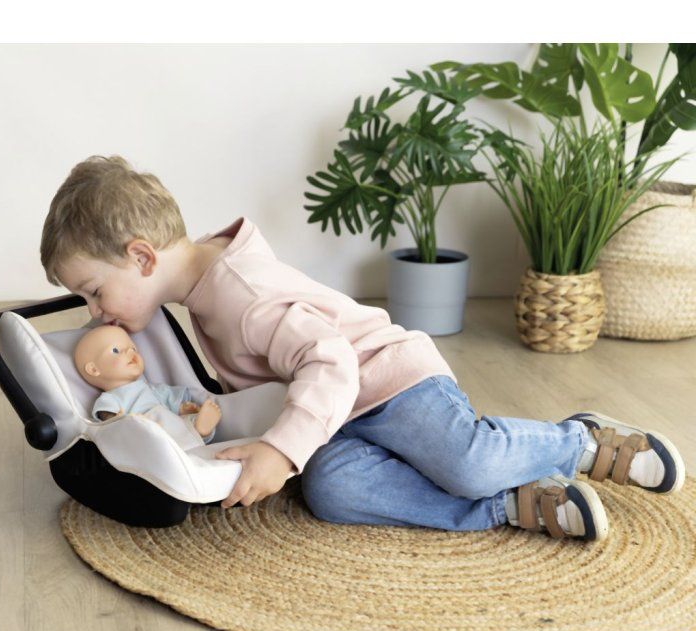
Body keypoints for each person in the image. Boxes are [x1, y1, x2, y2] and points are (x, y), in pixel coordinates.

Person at [38, 155, 686, 541]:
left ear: (142, 256)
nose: (95, 312)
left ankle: (581, 442)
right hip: (334, 413)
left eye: (94, 292)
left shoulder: (241, 295)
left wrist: (280, 450)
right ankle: (508, 506)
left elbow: (332, 361)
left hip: (387, 380)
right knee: (334, 493)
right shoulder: (196, 279)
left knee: (468, 461)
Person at [73, 323, 221, 444]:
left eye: (133, 349)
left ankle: (200, 430)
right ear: (94, 369)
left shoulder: (152, 388)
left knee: (180, 421)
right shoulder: (110, 398)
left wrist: (182, 408)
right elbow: (107, 421)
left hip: (166, 422)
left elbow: (170, 400)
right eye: (116, 350)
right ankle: (196, 433)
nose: (131, 353)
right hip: (144, 430)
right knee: (149, 430)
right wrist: (119, 421)